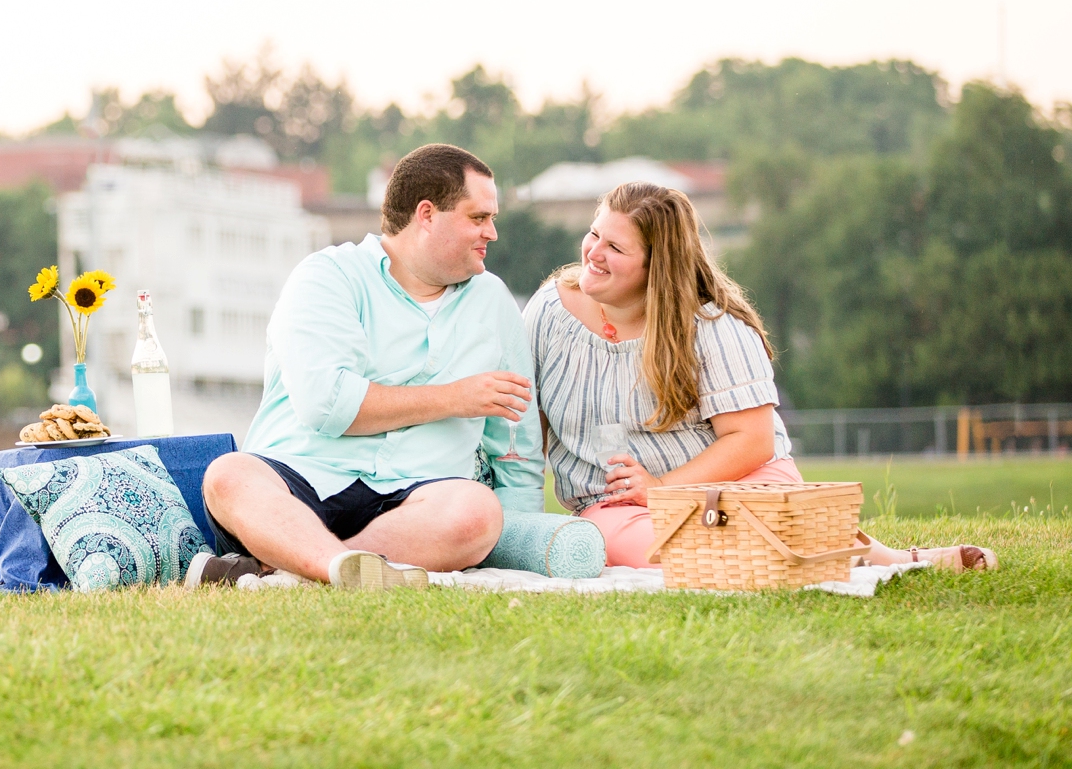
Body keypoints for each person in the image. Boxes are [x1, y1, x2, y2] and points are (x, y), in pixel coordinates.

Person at [529, 181, 995, 572]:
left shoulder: (712, 326)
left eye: (615, 247)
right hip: (619, 507)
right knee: (678, 552)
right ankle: (851, 554)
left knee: (762, 529)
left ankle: (887, 559)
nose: (594, 253)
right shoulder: (551, 309)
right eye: (594, 234)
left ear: (658, 267)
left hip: (738, 480)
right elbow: (526, 418)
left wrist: (665, 488)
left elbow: (751, 441)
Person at [191, 143, 544, 590]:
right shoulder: (327, 277)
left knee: (478, 512)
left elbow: (517, 448)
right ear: (427, 215)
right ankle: (338, 567)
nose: (492, 232)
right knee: (229, 475)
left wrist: (523, 543)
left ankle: (296, 570)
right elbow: (328, 404)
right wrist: (456, 398)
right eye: (479, 218)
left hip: (416, 502)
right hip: (299, 480)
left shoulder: (495, 303)